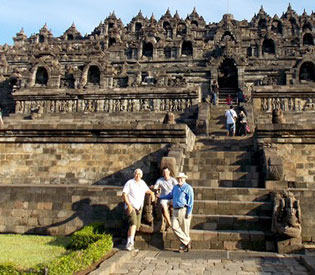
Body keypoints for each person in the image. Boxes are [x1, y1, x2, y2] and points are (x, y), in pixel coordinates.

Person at [158, 172, 194, 253]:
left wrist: (189, 212)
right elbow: (170, 195)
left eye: (181, 178)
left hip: (183, 209)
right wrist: (161, 196)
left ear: (184, 179)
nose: (180, 180)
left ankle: (183, 245)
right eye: (178, 178)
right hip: (175, 210)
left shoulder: (188, 188)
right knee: (174, 227)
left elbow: (191, 201)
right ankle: (187, 241)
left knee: (185, 229)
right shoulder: (175, 187)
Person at [122, 168, 155, 251]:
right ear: (134, 174)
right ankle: (130, 244)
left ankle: (128, 243)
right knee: (133, 223)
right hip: (131, 206)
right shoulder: (129, 183)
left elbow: (147, 190)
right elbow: (124, 194)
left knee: (135, 226)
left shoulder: (142, 183)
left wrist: (152, 193)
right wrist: (128, 205)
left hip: (139, 207)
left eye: (139, 174)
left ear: (141, 175)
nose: (137, 175)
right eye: (136, 174)